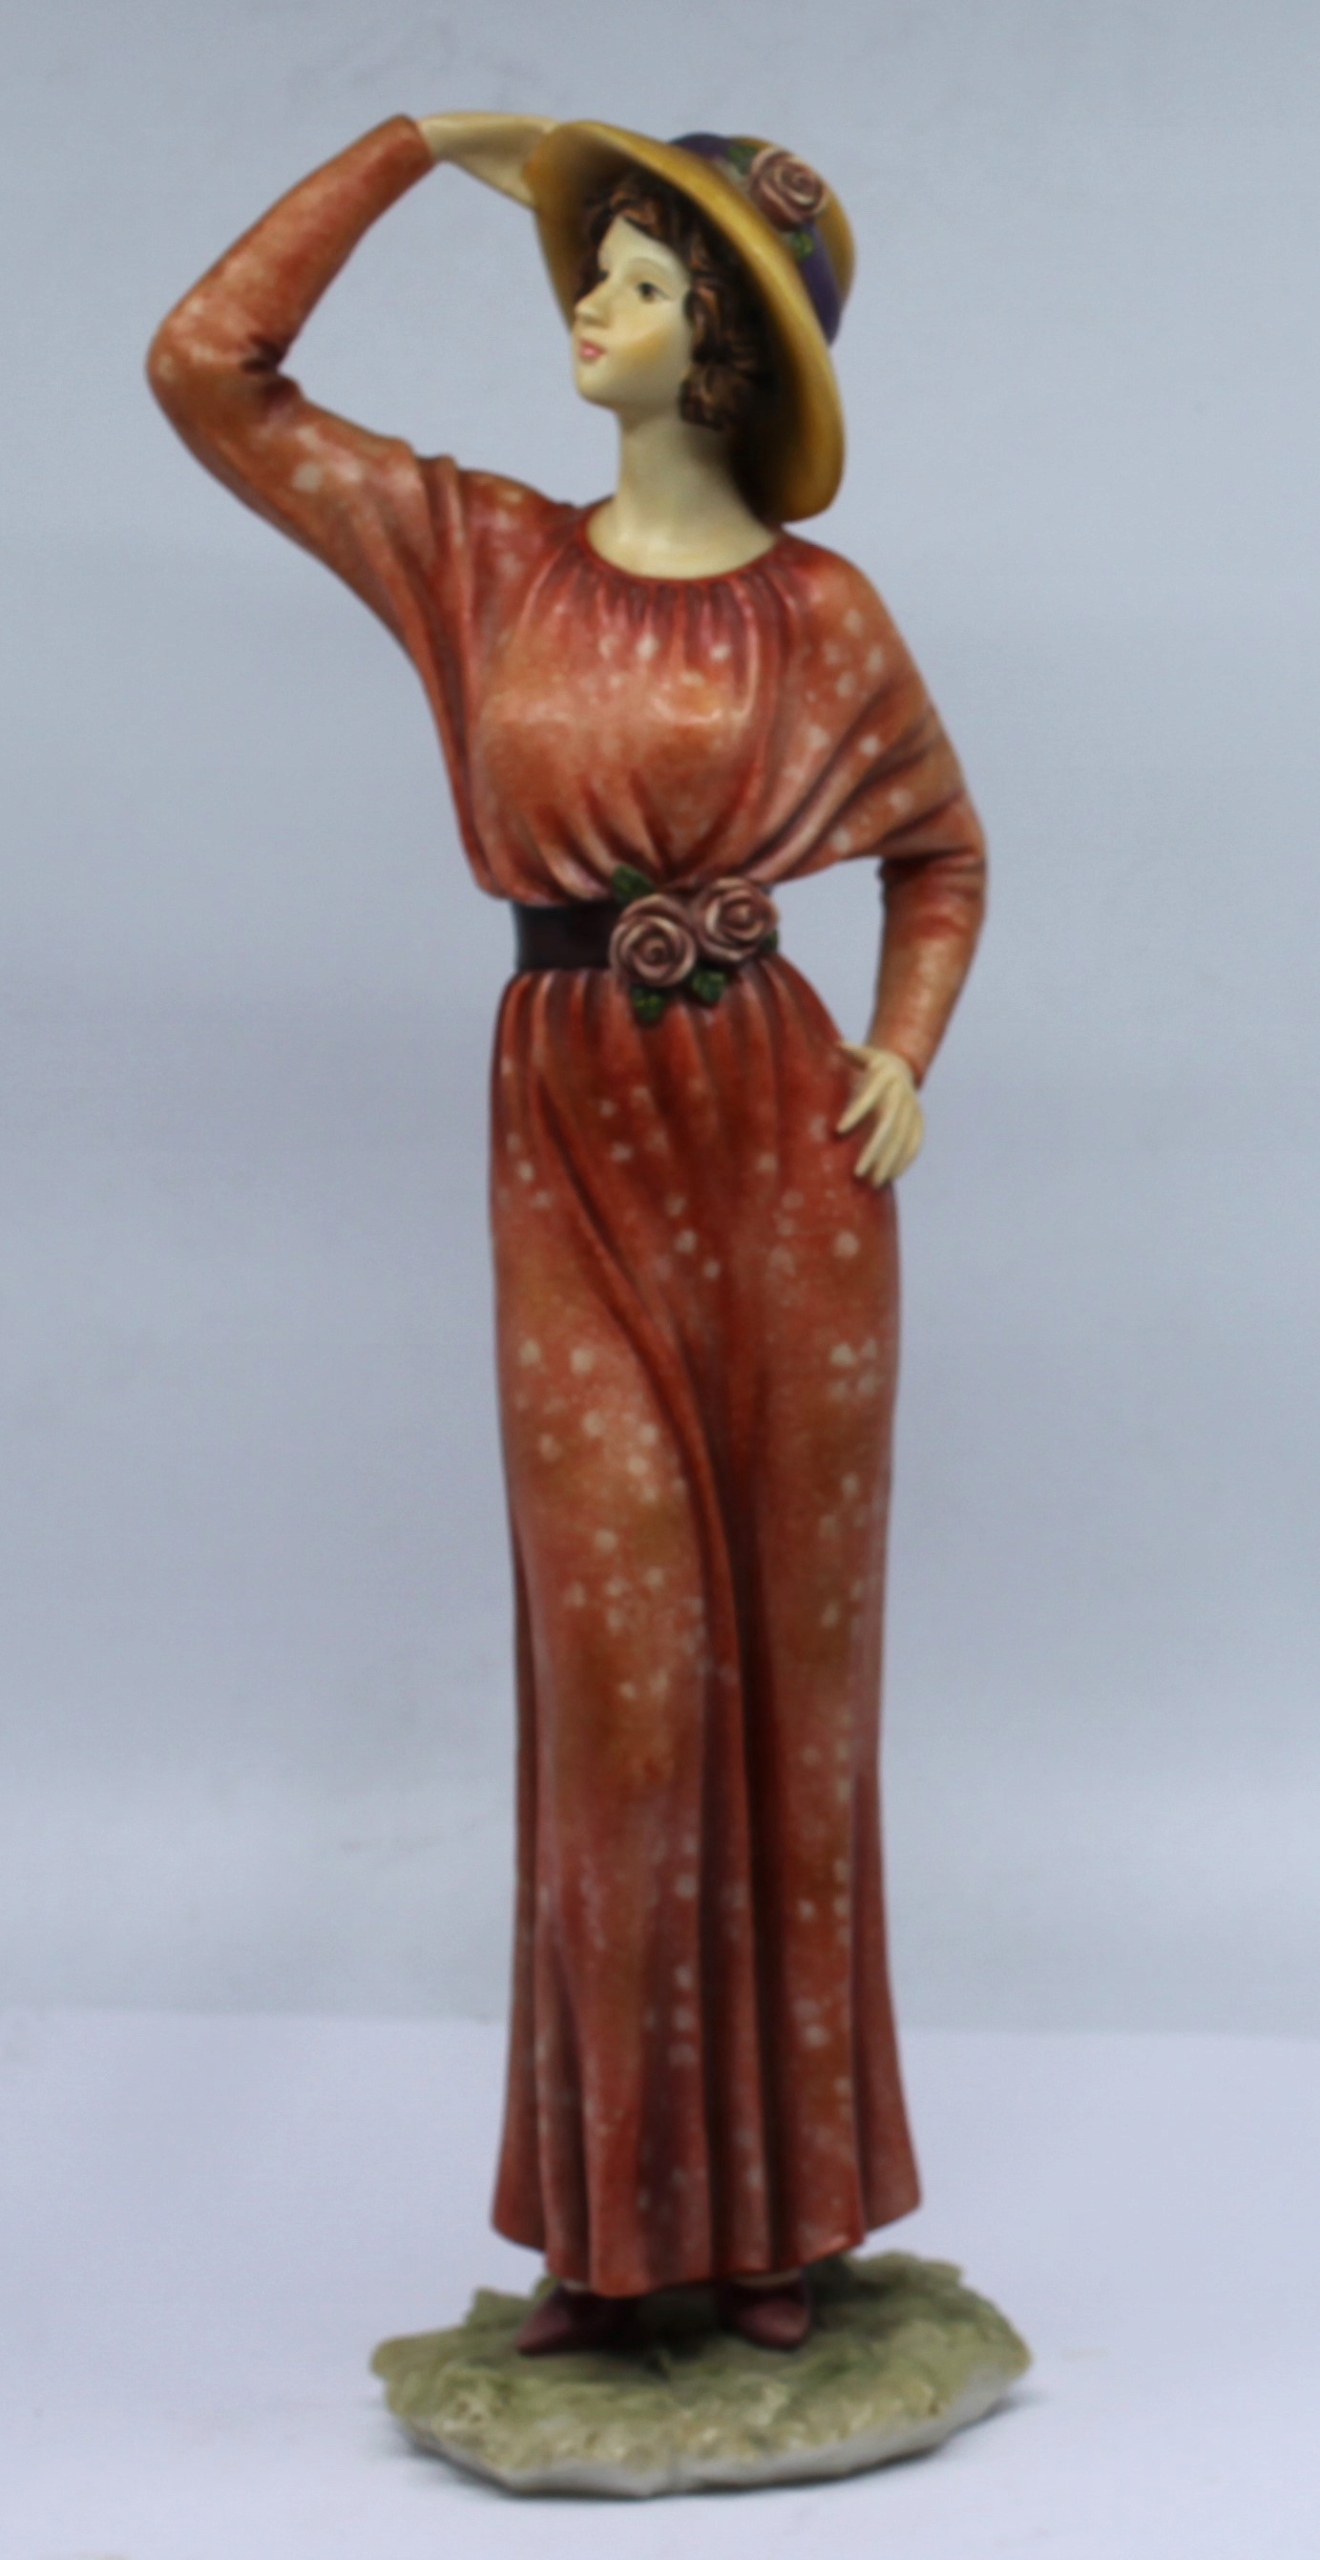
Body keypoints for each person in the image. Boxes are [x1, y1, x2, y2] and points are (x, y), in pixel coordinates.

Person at [148, 111, 986, 2356]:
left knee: (795, 1696)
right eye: (590, 267)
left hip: (790, 1164)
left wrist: (903, 1049)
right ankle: (617, 2233)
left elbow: (940, 851)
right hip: (571, 1128)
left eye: (629, 278)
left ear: (722, 345)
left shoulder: (826, 613)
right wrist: (409, 148)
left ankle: (783, 2221)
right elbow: (208, 369)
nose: (582, 308)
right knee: (624, 1692)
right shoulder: (477, 554)